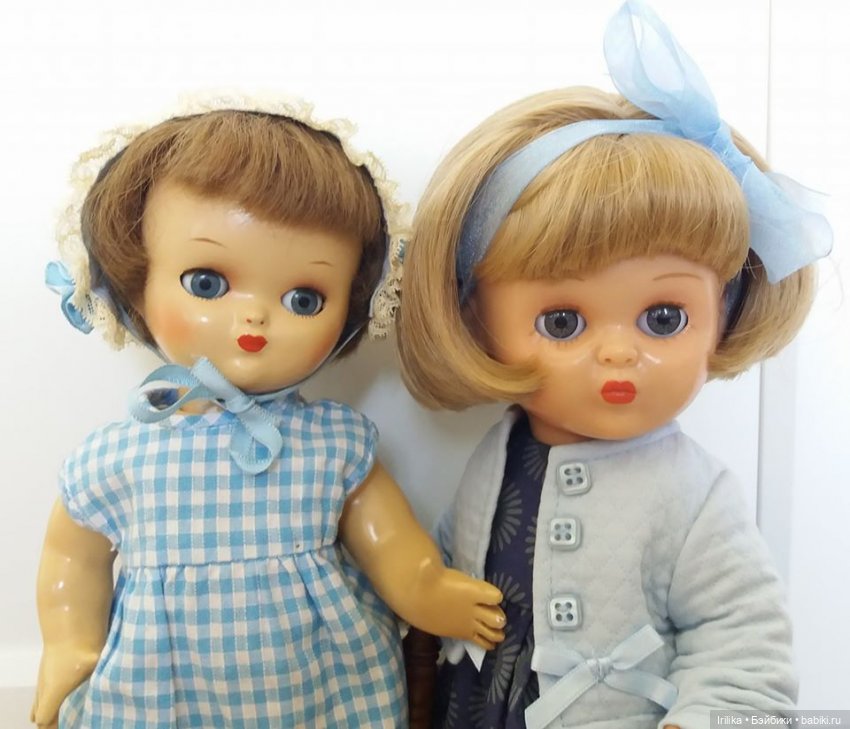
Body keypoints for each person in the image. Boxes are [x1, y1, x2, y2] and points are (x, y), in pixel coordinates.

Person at [395, 3, 831, 728]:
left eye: (664, 318)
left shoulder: (692, 492)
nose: (620, 352)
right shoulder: (499, 452)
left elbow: (743, 637)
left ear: (723, 311)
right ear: (475, 317)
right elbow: (456, 549)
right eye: (561, 322)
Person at [33, 94, 505, 729]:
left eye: (304, 298)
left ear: (352, 307)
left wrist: (424, 586)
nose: (254, 317)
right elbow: (73, 559)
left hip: (321, 682)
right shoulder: (117, 456)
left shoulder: (333, 442)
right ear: (135, 284)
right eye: (207, 283)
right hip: (160, 691)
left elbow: (388, 540)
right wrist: (69, 643)